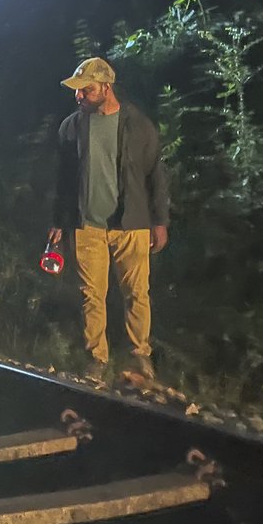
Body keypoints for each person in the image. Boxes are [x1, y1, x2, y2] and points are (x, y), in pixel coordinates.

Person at [47, 57, 170, 381]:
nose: (80, 96)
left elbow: (155, 173)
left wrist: (160, 221)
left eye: (86, 90)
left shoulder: (138, 125)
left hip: (131, 224)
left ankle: (139, 356)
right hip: (87, 225)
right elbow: (63, 179)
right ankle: (96, 359)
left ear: (105, 87)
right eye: (78, 91)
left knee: (137, 294)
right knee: (92, 296)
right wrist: (59, 222)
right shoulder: (72, 126)